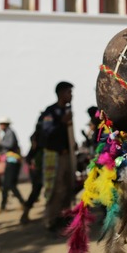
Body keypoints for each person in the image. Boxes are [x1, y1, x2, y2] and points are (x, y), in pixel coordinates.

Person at [38, 81, 77, 231]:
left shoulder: (66, 111)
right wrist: (61, 122)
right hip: (55, 156)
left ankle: (64, 217)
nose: (71, 95)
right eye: (69, 92)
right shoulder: (51, 112)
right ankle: (51, 221)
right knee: (56, 189)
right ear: (61, 93)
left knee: (67, 187)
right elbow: (47, 132)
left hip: (67, 156)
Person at [0, 116, 25, 212]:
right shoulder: (6, 133)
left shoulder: (10, 133)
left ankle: (23, 203)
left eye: (2, 124)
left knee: (10, 183)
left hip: (13, 161)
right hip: (8, 161)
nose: (0, 126)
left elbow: (10, 144)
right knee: (5, 184)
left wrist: (0, 142)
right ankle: (3, 206)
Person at [19, 128, 43, 225]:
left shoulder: (37, 149)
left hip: (39, 171)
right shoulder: (35, 150)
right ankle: (25, 214)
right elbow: (29, 160)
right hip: (37, 172)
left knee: (36, 191)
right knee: (35, 191)